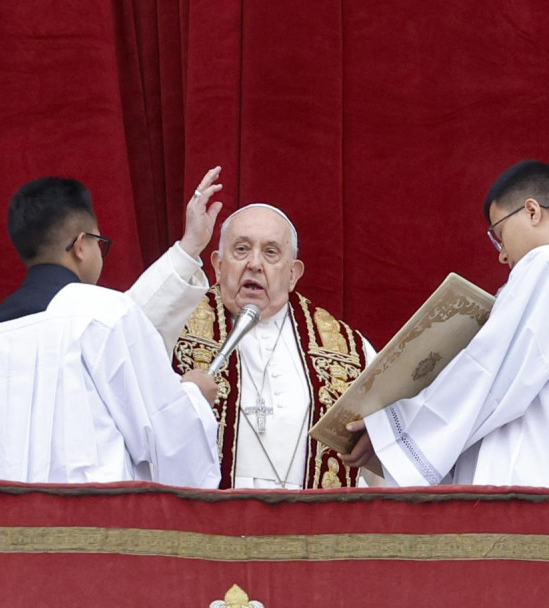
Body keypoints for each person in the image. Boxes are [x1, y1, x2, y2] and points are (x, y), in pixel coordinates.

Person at [343, 160, 549, 487]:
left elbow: (488, 372)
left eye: (499, 234)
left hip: (538, 501)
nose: (501, 255)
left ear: (532, 211)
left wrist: (394, 435)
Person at [0, 174, 222, 487]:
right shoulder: (105, 317)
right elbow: (168, 438)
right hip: (86, 533)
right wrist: (195, 397)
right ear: (80, 246)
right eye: (99, 244)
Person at [149, 203, 378, 489]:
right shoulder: (173, 328)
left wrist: (380, 437)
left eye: (270, 252)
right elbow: (124, 333)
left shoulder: (349, 350)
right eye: (241, 249)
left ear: (293, 274)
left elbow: (385, 465)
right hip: (209, 526)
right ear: (219, 266)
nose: (254, 264)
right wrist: (186, 250)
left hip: (312, 528)